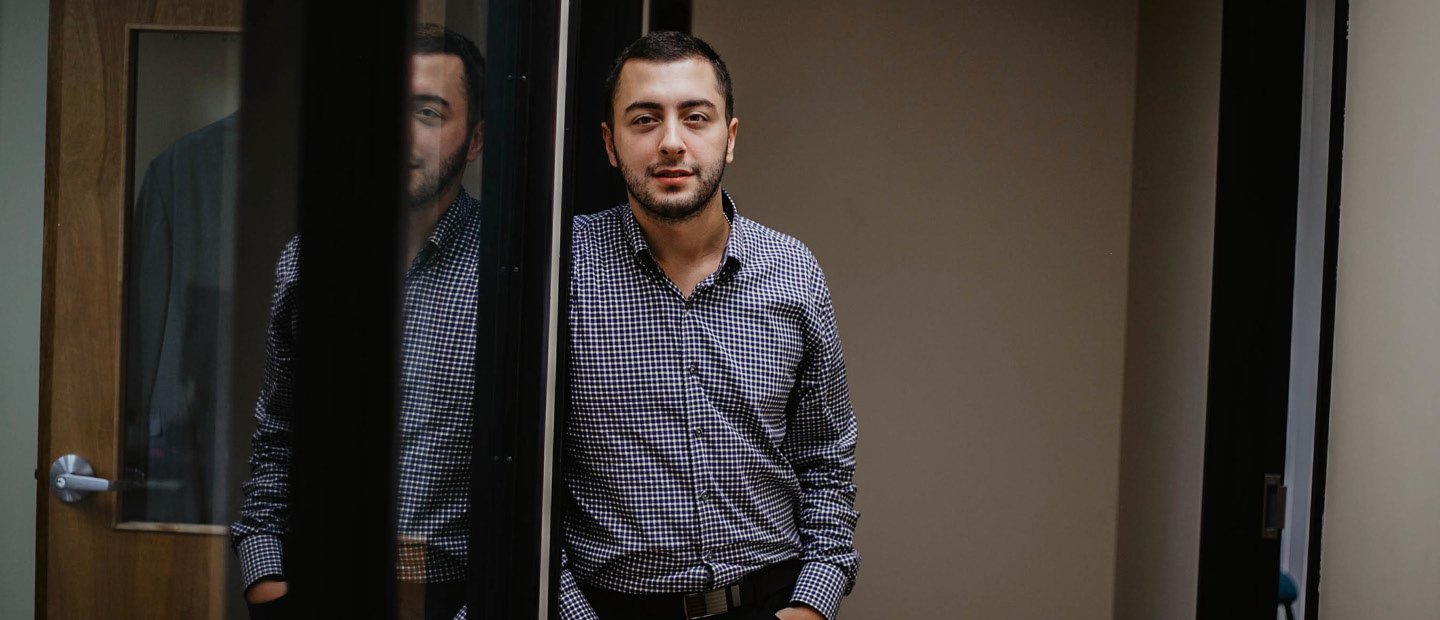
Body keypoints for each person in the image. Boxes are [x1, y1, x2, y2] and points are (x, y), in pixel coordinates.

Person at [562, 31, 860, 620]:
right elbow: (519, 484)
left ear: (729, 139)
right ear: (610, 143)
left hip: (767, 602)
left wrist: (813, 605)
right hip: (611, 607)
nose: (672, 142)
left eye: (695, 117)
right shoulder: (559, 270)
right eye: (645, 120)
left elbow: (827, 456)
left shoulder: (792, 271)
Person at [229, 24, 485, 620]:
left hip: (449, 597)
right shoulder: (309, 259)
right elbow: (277, 443)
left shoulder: (509, 269)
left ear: (473, 141)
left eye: (429, 112)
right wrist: (266, 584)